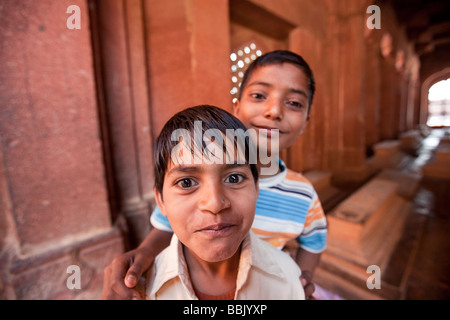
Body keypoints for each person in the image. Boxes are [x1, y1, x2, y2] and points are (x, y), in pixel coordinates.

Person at [102, 50, 327, 300]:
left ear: (306, 121)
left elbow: (313, 242)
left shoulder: (303, 193)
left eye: (294, 103)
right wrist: (143, 254)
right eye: (259, 95)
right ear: (237, 108)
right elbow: (165, 228)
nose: (274, 111)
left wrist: (302, 279)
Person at [139, 105, 304, 299]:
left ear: (256, 189)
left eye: (234, 178)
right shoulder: (144, 289)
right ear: (161, 201)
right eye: (186, 182)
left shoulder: (286, 277)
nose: (215, 204)